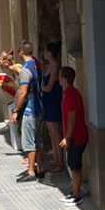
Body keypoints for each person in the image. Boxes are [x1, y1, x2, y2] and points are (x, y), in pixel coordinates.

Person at [12, 40, 44, 182]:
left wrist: (16, 110)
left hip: (30, 109)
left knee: (29, 141)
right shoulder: (36, 66)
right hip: (39, 107)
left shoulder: (25, 70)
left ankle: (31, 171)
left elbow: (22, 93)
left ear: (21, 52)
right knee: (39, 140)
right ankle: (40, 168)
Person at [59, 66, 87, 206]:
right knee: (73, 165)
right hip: (77, 136)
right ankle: (74, 192)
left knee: (75, 167)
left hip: (76, 137)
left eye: (60, 76)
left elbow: (72, 119)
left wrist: (67, 138)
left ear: (64, 78)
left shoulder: (70, 95)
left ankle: (76, 195)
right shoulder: (72, 92)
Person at [41, 43, 64, 173]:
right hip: (48, 101)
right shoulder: (49, 66)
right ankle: (55, 161)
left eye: (46, 50)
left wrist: (42, 87)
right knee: (51, 133)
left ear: (50, 53)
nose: (44, 53)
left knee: (56, 134)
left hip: (53, 101)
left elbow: (48, 87)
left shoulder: (55, 66)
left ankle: (60, 163)